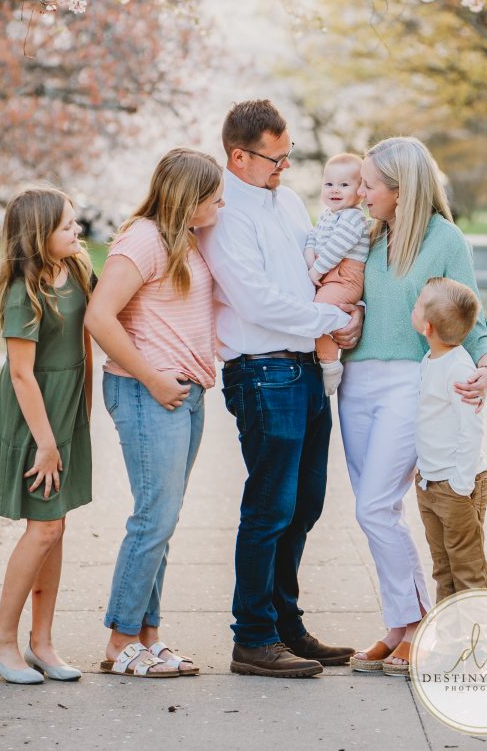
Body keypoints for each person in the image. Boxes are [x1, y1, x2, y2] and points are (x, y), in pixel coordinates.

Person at [197, 99, 362, 678]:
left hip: (306, 368)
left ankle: (287, 626)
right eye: (276, 157)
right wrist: (330, 323)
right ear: (239, 156)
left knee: (306, 504)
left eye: (289, 155)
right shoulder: (223, 216)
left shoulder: (287, 202)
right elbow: (255, 300)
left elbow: (310, 274)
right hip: (263, 371)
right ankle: (254, 637)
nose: (286, 167)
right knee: (269, 507)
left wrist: (342, 310)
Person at [337, 136, 487, 677]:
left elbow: (471, 313)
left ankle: (418, 621)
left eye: (370, 184)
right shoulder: (365, 233)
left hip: (410, 383)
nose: (361, 191)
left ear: (402, 191)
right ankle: (399, 625)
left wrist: (486, 366)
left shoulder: (443, 239)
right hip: (356, 382)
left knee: (373, 507)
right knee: (376, 510)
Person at [85, 148, 223, 679]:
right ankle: (120, 641)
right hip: (148, 393)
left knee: (162, 520)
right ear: (189, 198)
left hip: (184, 394)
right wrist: (152, 377)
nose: (220, 204)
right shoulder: (143, 238)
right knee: (153, 519)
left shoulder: (184, 238)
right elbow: (100, 316)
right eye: (214, 197)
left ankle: (149, 637)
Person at [0, 186, 93, 684]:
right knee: (43, 526)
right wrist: (46, 442)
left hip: (67, 413)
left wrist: (83, 413)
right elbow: (22, 375)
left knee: (58, 525)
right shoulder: (23, 290)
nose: (77, 231)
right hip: (34, 417)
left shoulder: (78, 270)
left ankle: (41, 642)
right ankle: (0, 641)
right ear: (38, 235)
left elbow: (86, 341)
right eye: (67, 225)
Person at [411, 277, 487, 602]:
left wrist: (461, 484)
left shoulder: (458, 370)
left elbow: (471, 429)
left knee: (467, 571)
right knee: (443, 569)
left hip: (457, 484)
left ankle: (477, 647)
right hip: (431, 482)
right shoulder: (430, 360)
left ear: (427, 326)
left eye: (418, 302)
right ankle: (450, 643)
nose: (413, 305)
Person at [304, 153, 369, 395]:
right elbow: (313, 235)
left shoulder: (353, 217)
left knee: (321, 311)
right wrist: (310, 253)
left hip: (345, 276)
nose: (335, 190)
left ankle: (330, 365)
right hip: (329, 271)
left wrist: (317, 269)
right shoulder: (327, 215)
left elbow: (337, 247)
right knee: (318, 310)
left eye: (344, 185)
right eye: (329, 184)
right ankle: (325, 355)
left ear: (361, 190)